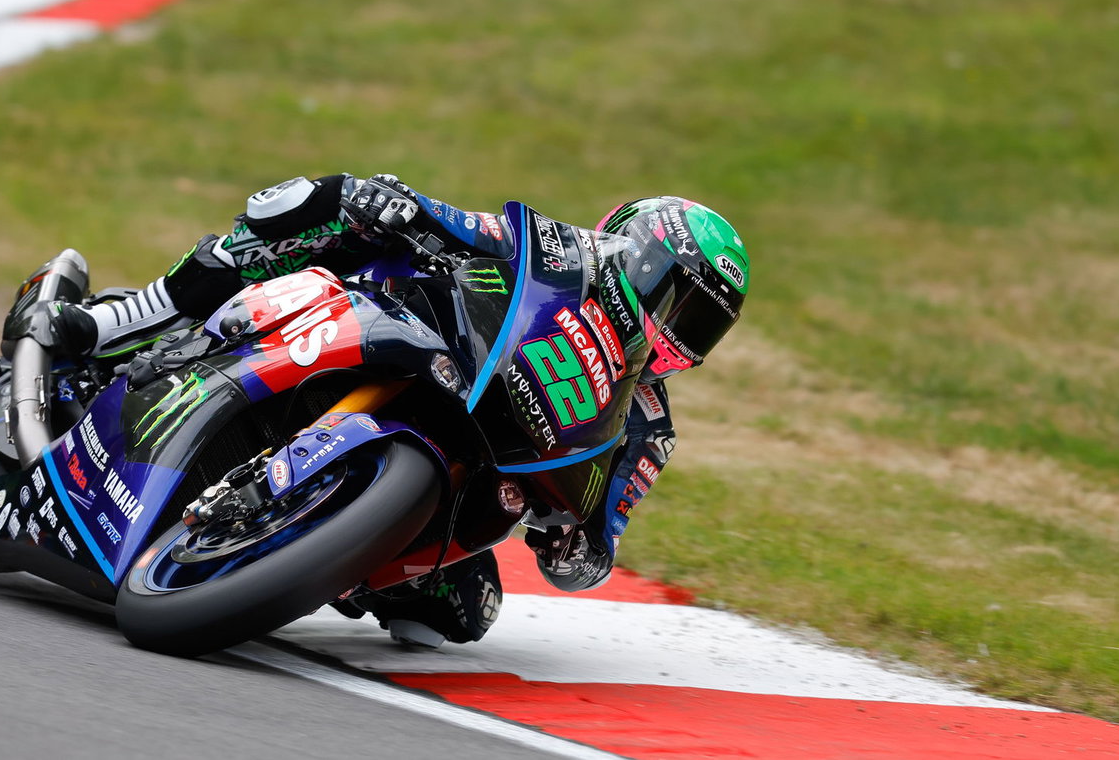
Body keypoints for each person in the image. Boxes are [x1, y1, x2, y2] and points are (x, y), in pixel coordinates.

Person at [46, 174, 749, 648]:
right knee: (328, 208)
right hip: (405, 341)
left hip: (472, 465)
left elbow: (603, 536)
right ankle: (129, 318)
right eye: (675, 302)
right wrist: (401, 207)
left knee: (463, 617)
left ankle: (305, 547)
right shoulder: (562, 253)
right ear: (639, 257)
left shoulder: (649, 422)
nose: (676, 331)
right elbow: (463, 227)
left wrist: (579, 550)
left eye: (701, 327)